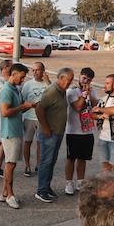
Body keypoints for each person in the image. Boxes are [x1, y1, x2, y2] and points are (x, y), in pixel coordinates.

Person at [0, 63, 36, 209]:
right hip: (10, 133)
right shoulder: (6, 90)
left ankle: (4, 193)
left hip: (16, 131)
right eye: (21, 77)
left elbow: (19, 106)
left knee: (11, 163)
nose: (22, 80)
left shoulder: (15, 89)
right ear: (13, 74)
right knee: (10, 164)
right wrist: (23, 107)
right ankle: (10, 195)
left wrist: (28, 105)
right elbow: (5, 112)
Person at [33, 67, 71, 203]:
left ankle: (46, 187)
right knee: (46, 161)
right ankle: (41, 190)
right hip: (49, 133)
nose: (70, 83)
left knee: (51, 161)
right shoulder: (52, 92)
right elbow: (39, 109)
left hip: (58, 132)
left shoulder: (62, 91)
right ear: (61, 78)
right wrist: (46, 127)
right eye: (69, 80)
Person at [62, 69, 97, 196]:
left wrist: (90, 94)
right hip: (73, 131)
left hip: (87, 130)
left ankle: (80, 181)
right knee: (71, 158)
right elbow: (77, 107)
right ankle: (69, 182)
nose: (85, 81)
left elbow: (95, 106)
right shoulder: (71, 91)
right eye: (84, 78)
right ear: (79, 77)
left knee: (83, 158)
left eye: (88, 79)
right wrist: (83, 95)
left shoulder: (92, 91)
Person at [93, 73, 114, 172]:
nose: (105, 85)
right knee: (105, 167)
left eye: (107, 83)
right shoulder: (104, 99)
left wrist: (100, 109)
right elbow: (93, 114)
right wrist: (100, 115)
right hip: (103, 138)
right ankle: (108, 187)